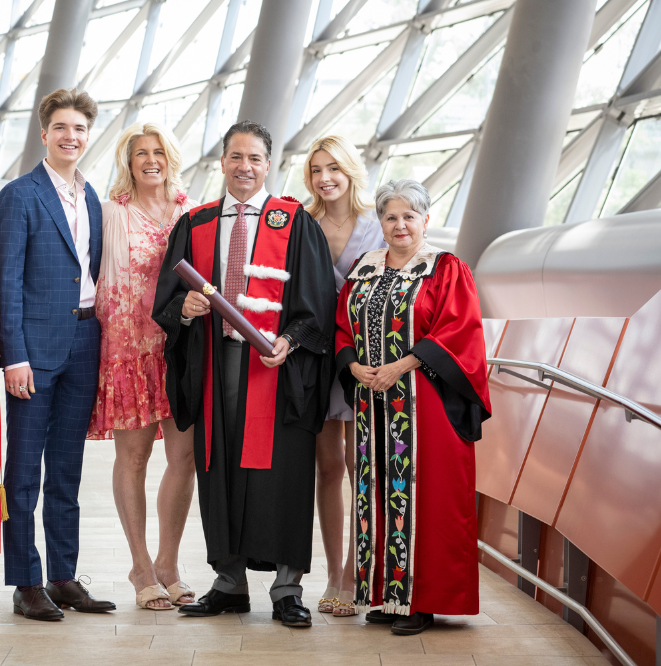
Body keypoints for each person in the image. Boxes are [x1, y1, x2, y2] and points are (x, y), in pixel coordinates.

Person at [153, 120, 335, 628]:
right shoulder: (196, 223)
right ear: (222, 162)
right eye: (236, 157)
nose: (245, 167)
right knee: (222, 471)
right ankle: (229, 583)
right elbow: (166, 304)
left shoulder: (295, 224)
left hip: (277, 371)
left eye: (254, 158)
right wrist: (186, 308)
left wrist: (291, 340)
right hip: (214, 366)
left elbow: (318, 302)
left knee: (282, 474)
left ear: (268, 164)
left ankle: (286, 587)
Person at [335, 179, 491, 636]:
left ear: (425, 218)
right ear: (379, 222)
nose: (400, 225)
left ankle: (423, 600)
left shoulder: (445, 269)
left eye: (409, 216)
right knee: (377, 494)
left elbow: (459, 331)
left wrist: (403, 365)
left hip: (428, 406)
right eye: (390, 216)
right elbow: (344, 328)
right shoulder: (364, 269)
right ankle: (389, 595)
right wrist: (355, 365)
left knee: (427, 496)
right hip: (372, 406)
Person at [0, 88, 116, 621]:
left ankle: (63, 577)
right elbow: (9, 284)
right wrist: (13, 355)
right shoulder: (20, 195)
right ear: (44, 133)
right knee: (23, 472)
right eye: (62, 127)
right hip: (34, 352)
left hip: (85, 342)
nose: (71, 137)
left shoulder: (92, 196)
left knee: (67, 470)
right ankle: (26, 583)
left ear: (89, 137)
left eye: (81, 129)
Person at [88, 122, 198, 610]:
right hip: (129, 353)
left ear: (170, 158)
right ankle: (140, 567)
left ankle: (168, 563)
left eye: (158, 152)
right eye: (140, 154)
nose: (150, 160)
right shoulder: (112, 213)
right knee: (133, 459)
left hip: (178, 352)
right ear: (128, 163)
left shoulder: (191, 215)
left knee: (185, 459)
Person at [303, 136, 386, 618]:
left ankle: (356, 572)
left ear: (351, 170)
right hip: (318, 360)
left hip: (363, 362)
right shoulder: (304, 226)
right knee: (328, 468)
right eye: (316, 170)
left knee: (362, 471)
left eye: (333, 167)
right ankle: (333, 572)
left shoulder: (379, 224)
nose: (325, 177)